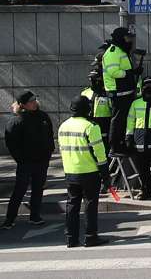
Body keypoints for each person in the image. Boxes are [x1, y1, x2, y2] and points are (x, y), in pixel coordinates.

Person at [57, 96, 108, 248]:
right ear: (87, 109)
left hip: (70, 172)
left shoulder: (63, 126)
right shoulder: (91, 126)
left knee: (72, 205)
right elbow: (99, 153)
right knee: (90, 206)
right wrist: (105, 174)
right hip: (89, 172)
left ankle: (71, 238)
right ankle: (90, 237)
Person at [3, 90, 53, 228]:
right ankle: (10, 219)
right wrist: (20, 159)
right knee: (20, 190)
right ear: (23, 105)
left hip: (42, 161)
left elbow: (50, 136)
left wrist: (48, 153)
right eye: (30, 101)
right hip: (25, 162)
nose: (34, 103)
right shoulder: (16, 121)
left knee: (38, 189)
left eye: (34, 100)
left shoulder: (43, 116)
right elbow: (11, 143)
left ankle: (35, 216)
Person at [124, 78, 151, 202]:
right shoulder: (136, 103)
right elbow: (130, 121)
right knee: (143, 170)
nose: (148, 89)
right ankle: (146, 191)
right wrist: (129, 137)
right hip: (140, 142)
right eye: (146, 86)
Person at [100, 27, 139, 156]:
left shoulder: (121, 50)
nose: (129, 41)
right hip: (118, 92)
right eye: (127, 38)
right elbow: (114, 72)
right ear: (120, 38)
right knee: (118, 120)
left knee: (123, 120)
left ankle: (122, 143)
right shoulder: (112, 52)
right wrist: (130, 73)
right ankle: (115, 145)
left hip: (125, 91)